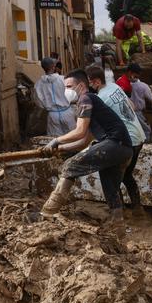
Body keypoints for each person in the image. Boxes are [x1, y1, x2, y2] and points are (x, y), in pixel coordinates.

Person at [36, 69, 135, 222]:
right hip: (124, 149)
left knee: (70, 166)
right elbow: (85, 141)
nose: (66, 91)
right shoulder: (93, 101)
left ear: (81, 85)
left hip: (114, 144)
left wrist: (56, 141)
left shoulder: (85, 99)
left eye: (69, 87)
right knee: (110, 189)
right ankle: (118, 226)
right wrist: (60, 149)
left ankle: (48, 212)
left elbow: (80, 132)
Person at [89, 65, 147, 216]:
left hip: (127, 141)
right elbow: (132, 106)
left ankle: (119, 216)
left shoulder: (100, 99)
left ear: (95, 82)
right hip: (139, 136)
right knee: (126, 176)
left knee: (111, 179)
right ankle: (137, 209)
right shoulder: (115, 86)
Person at [34, 57, 75, 137]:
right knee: (72, 137)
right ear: (53, 67)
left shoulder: (38, 84)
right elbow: (73, 94)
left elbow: (39, 102)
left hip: (52, 115)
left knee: (55, 141)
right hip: (67, 113)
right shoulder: (64, 79)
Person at [127, 64, 152, 139]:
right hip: (138, 113)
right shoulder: (143, 86)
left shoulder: (121, 82)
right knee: (146, 131)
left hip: (126, 113)